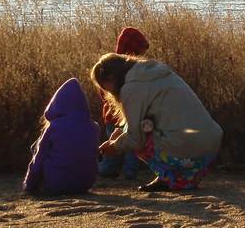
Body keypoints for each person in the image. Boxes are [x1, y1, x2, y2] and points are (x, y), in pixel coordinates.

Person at [91, 53, 222, 192]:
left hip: (186, 148)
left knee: (142, 140)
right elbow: (147, 121)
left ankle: (168, 178)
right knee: (146, 127)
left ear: (110, 76)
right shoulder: (159, 73)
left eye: (104, 87)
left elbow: (136, 140)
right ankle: (182, 180)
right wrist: (121, 135)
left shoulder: (132, 87)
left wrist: (115, 146)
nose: (106, 93)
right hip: (210, 146)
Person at [23, 77, 99, 196]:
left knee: (37, 147)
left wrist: (29, 185)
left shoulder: (54, 127)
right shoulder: (94, 127)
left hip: (56, 185)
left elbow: (38, 159)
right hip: (85, 185)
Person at [98, 27, 149, 179]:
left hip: (112, 114)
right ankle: (128, 170)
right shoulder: (134, 70)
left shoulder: (109, 65)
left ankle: (108, 168)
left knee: (115, 141)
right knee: (133, 142)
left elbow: (102, 89)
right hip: (126, 114)